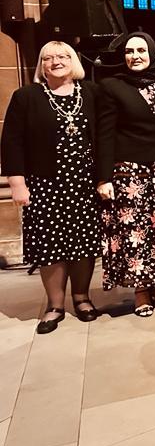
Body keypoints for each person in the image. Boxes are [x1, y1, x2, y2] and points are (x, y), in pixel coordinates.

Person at [2, 42, 103, 333]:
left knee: (84, 244)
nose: (56, 61)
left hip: (84, 184)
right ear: (41, 65)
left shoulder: (92, 93)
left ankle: (82, 298)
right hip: (45, 184)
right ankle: (55, 305)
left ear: (74, 61)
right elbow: (11, 142)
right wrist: (17, 184)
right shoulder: (26, 96)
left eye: (62, 56)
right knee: (51, 246)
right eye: (48, 57)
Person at [96, 33, 155, 316]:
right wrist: (103, 177)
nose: (135, 56)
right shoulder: (111, 86)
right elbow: (105, 134)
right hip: (129, 172)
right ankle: (141, 292)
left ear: (152, 54)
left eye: (141, 51)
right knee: (136, 233)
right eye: (130, 51)